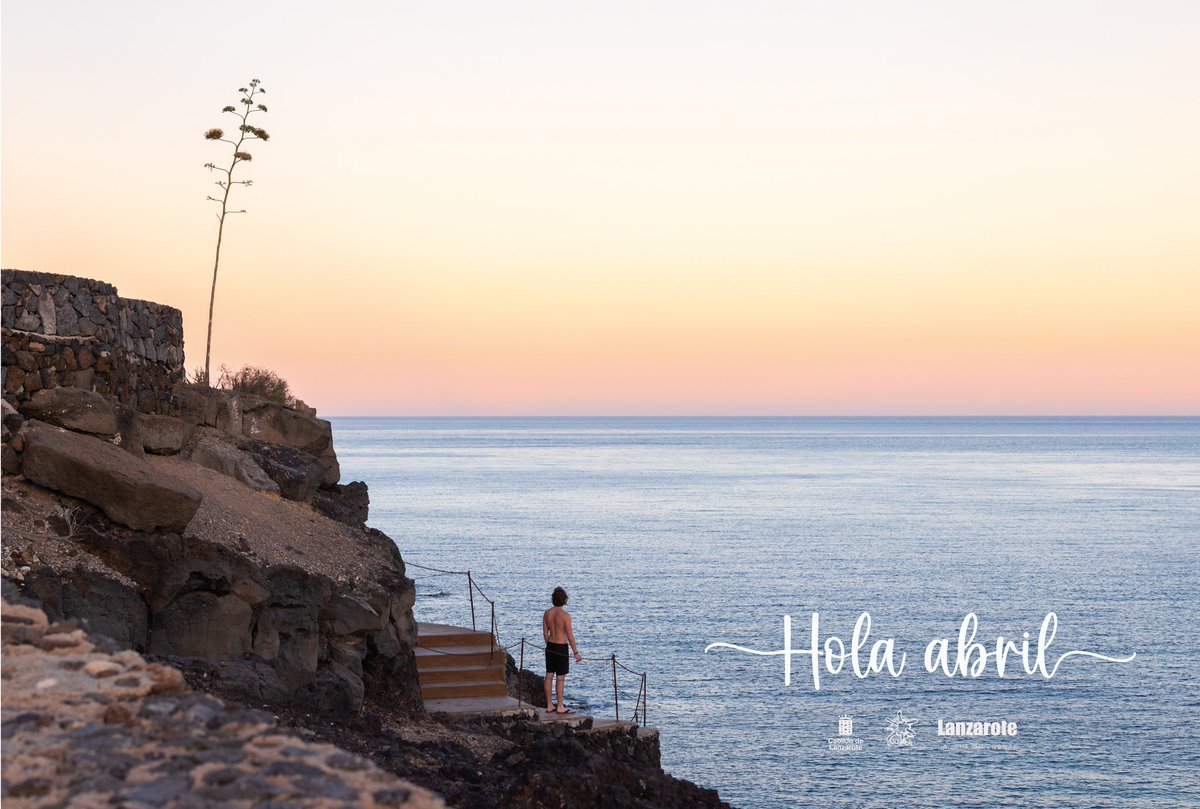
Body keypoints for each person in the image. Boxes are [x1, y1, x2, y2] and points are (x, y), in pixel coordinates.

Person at [543, 586, 582, 714]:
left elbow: (545, 634)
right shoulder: (565, 616)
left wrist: (549, 646)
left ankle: (549, 705)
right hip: (561, 647)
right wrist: (576, 653)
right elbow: (570, 636)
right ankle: (560, 706)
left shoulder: (547, 613)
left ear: (553, 599)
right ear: (564, 600)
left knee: (549, 675)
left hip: (550, 647)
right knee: (560, 678)